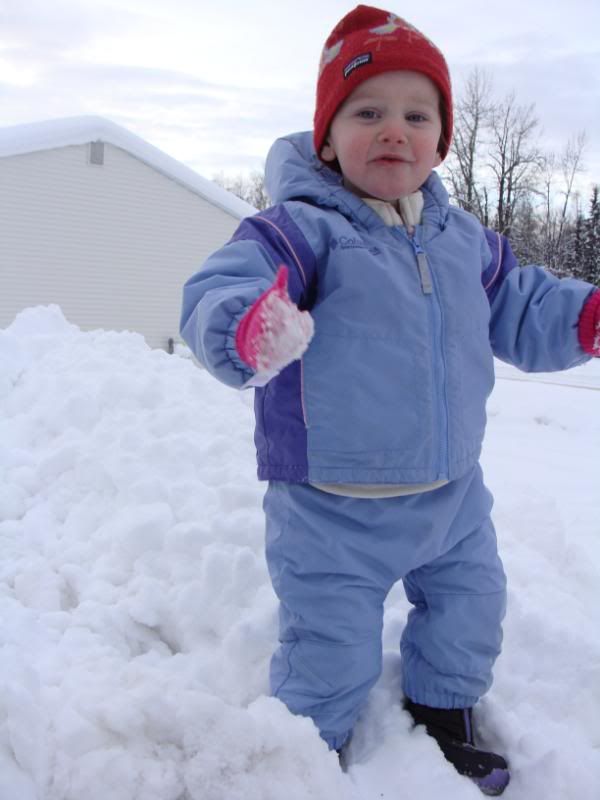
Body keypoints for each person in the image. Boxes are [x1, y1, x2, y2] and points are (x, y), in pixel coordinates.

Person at [180, 5, 600, 795]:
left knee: (472, 610)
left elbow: (523, 303)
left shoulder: (465, 239)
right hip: (329, 504)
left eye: (417, 115)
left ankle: (445, 713)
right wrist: (249, 326)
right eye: (367, 112)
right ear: (328, 135)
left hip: (451, 496)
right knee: (328, 646)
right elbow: (219, 286)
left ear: (442, 140)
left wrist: (584, 317)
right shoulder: (300, 230)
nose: (394, 131)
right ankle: (308, 754)